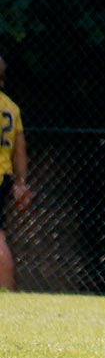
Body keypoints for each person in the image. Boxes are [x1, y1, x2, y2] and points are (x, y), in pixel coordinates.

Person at [0, 54, 33, 291]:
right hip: (4, 176)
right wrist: (20, 182)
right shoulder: (11, 108)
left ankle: (5, 291)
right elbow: (19, 151)